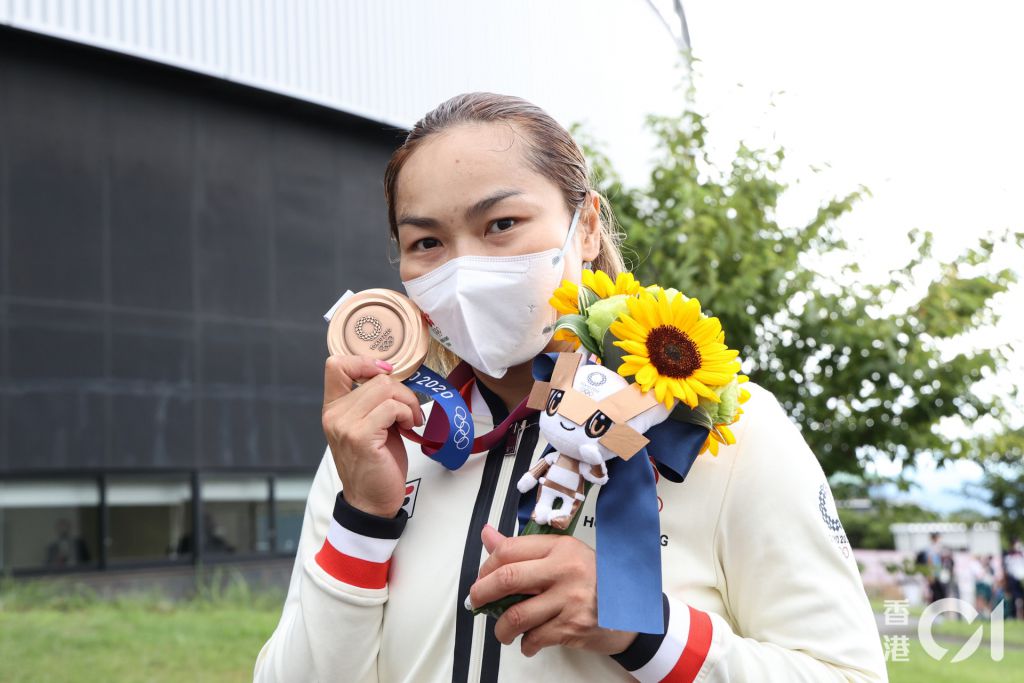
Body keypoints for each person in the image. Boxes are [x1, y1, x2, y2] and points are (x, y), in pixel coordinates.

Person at [254, 93, 887, 682]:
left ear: (583, 226)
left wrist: (647, 633)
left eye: (501, 223)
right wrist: (362, 521)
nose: (464, 268)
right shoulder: (381, 441)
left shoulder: (725, 429)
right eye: (426, 242)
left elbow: (846, 672)